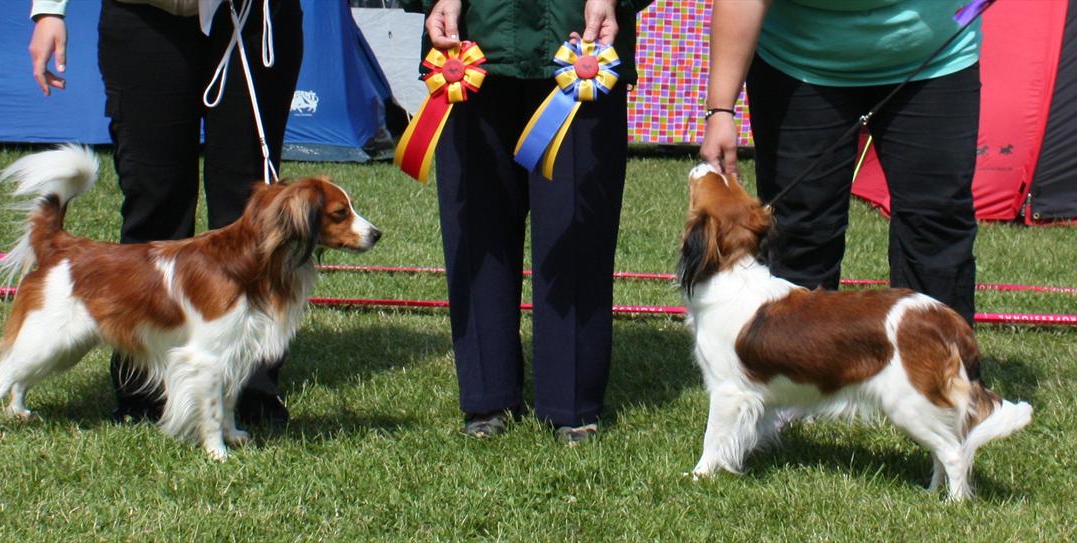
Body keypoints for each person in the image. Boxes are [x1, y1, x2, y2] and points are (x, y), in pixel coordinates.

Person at [27, 0, 303, 424]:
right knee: (154, 201)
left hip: (251, 16)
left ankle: (251, 389)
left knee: (252, 211)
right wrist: (49, 10)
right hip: (143, 15)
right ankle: (143, 386)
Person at [402, 0, 652, 445]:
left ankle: (571, 402)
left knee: (575, 231)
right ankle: (486, 396)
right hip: (471, 46)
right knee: (476, 229)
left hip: (581, 45)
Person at [700, 0, 983, 327]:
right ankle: (796, 369)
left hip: (936, 58)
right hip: (799, 62)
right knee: (800, 229)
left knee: (937, 222)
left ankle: (943, 370)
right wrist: (720, 109)